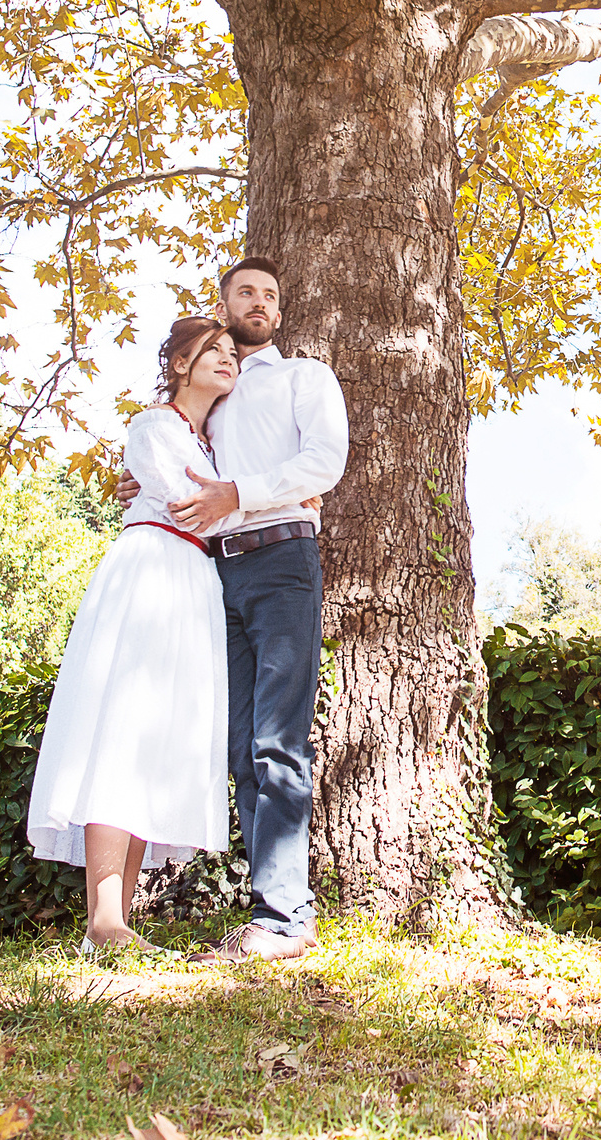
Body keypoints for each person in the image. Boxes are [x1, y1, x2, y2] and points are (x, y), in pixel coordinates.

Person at [118, 256, 348, 963]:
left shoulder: (302, 378)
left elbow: (326, 462)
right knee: (240, 745)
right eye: (245, 291)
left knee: (277, 739)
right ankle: (268, 913)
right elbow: (174, 481)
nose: (258, 302)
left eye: (270, 295)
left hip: (281, 564)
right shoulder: (208, 399)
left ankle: (286, 920)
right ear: (223, 306)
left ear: (278, 314)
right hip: (214, 574)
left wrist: (239, 493)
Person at [25, 317, 241, 955]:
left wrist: (240, 494)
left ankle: (119, 920)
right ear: (179, 364)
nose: (228, 359)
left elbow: (212, 505)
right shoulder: (154, 426)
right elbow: (186, 505)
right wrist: (266, 502)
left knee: (158, 739)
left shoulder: (214, 445)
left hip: (195, 583)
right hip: (152, 568)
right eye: (214, 351)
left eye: (234, 353)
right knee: (122, 726)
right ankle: (103, 917)